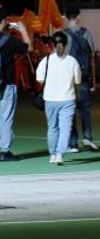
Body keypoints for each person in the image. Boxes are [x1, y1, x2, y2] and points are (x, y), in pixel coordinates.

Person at [36, 31, 82, 166]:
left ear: (52, 44)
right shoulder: (72, 61)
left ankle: (52, 154)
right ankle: (60, 154)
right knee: (65, 129)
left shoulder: (47, 60)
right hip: (67, 99)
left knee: (52, 127)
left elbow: (39, 79)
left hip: (50, 99)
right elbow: (77, 81)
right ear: (66, 44)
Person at [63, 8, 100, 152]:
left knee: (70, 110)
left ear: (66, 18)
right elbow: (92, 58)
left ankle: (73, 143)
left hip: (68, 79)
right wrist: (94, 80)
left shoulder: (62, 35)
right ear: (79, 16)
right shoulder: (86, 33)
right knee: (85, 109)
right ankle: (88, 138)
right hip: (83, 77)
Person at [0, 17, 31, 161]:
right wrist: (22, 29)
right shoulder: (8, 40)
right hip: (6, 84)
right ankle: (5, 151)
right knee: (6, 117)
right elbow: (27, 48)